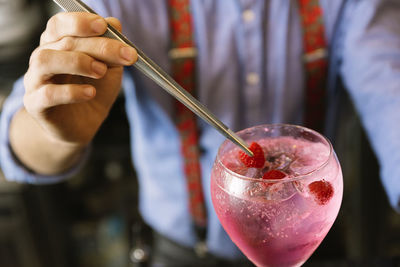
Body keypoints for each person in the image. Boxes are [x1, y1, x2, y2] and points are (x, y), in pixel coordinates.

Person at [0, 0, 399, 266]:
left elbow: (391, 96)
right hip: (181, 252)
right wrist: (56, 133)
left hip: (312, 246)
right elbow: (17, 147)